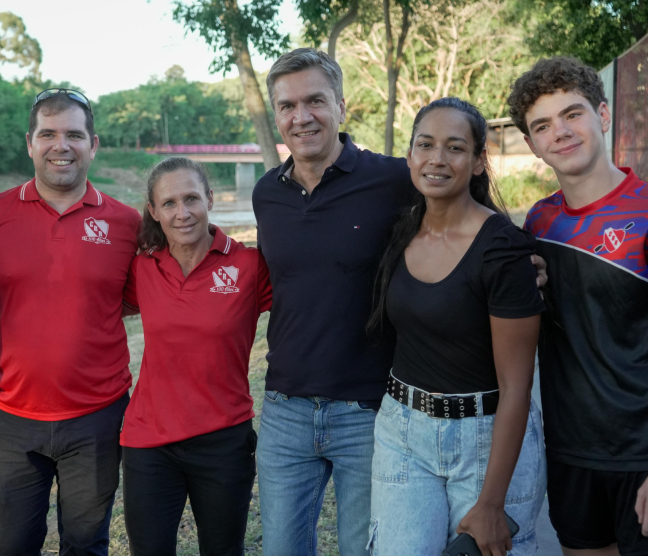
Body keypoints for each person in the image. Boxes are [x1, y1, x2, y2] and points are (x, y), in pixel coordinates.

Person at [252, 48, 546, 555]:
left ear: (341, 106)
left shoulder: (392, 179)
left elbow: (471, 221)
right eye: (287, 106)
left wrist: (527, 265)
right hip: (291, 410)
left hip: (368, 410)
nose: (302, 117)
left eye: (316, 100)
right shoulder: (266, 195)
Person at [366, 97, 547, 555]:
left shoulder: (503, 249)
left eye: (455, 148)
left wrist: (491, 503)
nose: (437, 159)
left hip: (485, 438)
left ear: (479, 161)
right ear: (409, 157)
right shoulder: (400, 231)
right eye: (425, 145)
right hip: (403, 433)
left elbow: (517, 386)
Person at [0, 89, 141, 556]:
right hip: (10, 417)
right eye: (48, 134)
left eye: (73, 134)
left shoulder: (127, 223)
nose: (60, 145)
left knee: (86, 545)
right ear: (29, 143)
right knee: (9, 545)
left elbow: (137, 298)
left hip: (98, 418)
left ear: (93, 144)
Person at [509, 56, 648, 555]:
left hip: (641, 455)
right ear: (531, 144)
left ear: (604, 116)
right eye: (543, 125)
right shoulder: (539, 223)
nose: (560, 133)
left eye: (573, 114)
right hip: (571, 452)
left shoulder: (645, 210)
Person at [120, 157, 272, 556]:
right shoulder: (142, 268)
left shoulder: (249, 266)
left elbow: (308, 302)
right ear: (153, 211)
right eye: (168, 203)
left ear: (210, 198)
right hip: (149, 442)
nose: (182, 213)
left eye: (191, 199)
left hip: (224, 439)